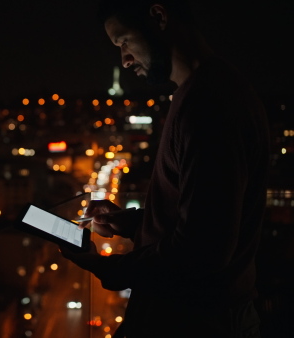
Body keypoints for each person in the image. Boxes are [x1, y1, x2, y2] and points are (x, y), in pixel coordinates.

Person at [59, 0, 270, 337]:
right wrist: (130, 222)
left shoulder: (208, 105)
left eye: (124, 41)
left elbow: (203, 250)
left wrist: (105, 267)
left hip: (197, 321)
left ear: (158, 16)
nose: (125, 59)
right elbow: (203, 219)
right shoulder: (209, 90)